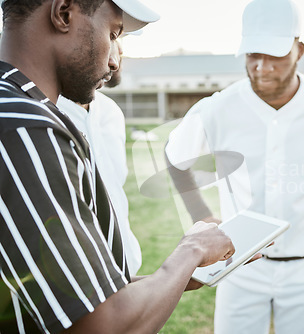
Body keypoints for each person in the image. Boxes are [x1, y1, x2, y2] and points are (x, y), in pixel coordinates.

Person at [0, 1, 235, 333]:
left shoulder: (14, 108)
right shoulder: (28, 129)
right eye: (112, 33)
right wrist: (191, 251)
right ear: (64, 12)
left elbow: (59, 291)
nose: (113, 60)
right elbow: (102, 326)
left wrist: (170, 277)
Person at [165, 0, 304, 333]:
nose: (262, 67)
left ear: (299, 50)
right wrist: (201, 214)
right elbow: (175, 156)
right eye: (252, 54)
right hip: (238, 267)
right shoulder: (218, 108)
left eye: (275, 54)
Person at [56, 38, 142, 275]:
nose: (121, 50)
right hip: (78, 281)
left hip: (127, 272)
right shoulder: (45, 113)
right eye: (114, 34)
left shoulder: (111, 111)